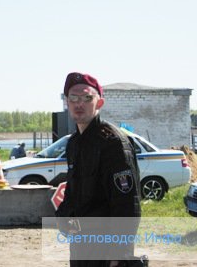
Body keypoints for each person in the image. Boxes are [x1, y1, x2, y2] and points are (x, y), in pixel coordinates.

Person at [56, 72, 142, 267]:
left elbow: (127, 203)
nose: (79, 104)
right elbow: (73, 192)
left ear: (99, 103)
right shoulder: (74, 144)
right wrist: (63, 218)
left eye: (87, 98)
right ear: (67, 103)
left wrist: (119, 254)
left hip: (106, 250)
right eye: (74, 98)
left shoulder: (113, 142)